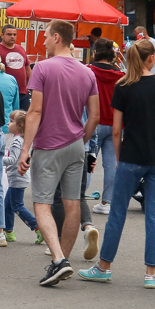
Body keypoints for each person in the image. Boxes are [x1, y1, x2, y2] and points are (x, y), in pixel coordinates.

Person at [78, 39, 155, 289]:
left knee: (117, 214)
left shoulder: (123, 86)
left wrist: (120, 157)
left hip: (131, 157)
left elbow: (116, 130)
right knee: (153, 216)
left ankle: (104, 267)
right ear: (151, 59)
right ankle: (151, 274)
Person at [18, 19, 100, 286]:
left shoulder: (42, 68)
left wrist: (25, 149)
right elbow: (95, 116)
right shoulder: (87, 72)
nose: (43, 41)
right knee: (72, 202)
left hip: (49, 144)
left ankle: (58, 259)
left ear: (56, 37)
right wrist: (80, 139)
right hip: (76, 144)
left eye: (45, 36)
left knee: (42, 203)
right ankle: (62, 259)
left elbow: (35, 111)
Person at [87, 38, 124, 214]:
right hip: (115, 124)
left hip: (92, 122)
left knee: (88, 160)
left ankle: (78, 198)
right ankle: (106, 202)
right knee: (111, 164)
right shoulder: (121, 76)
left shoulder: (88, 71)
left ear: (95, 53)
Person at [3, 110, 43, 245]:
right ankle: (8, 231)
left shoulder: (16, 141)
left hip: (17, 178)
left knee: (17, 206)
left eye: (11, 121)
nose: (8, 123)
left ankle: (37, 227)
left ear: (19, 125)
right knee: (8, 205)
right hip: (18, 177)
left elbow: (12, 160)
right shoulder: (22, 140)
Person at [0, 24, 32, 110]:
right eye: (9, 34)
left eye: (14, 34)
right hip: (6, 92)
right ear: (2, 35)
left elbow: (28, 69)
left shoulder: (21, 49)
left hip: (22, 92)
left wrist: (33, 86)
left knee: (24, 116)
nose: (12, 37)